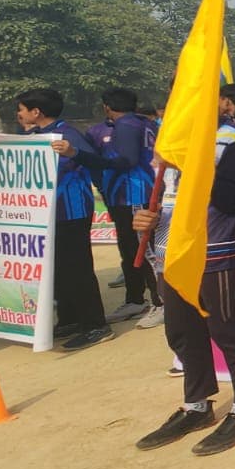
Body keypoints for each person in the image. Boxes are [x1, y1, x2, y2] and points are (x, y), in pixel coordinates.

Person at [132, 109, 235, 454]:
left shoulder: (234, 143)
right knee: (181, 331)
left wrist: (190, 160)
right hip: (170, 251)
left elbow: (228, 199)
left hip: (213, 249)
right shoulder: (168, 142)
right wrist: (147, 217)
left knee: (227, 329)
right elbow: (159, 196)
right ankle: (197, 406)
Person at [20, 88, 110, 350]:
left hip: (72, 210)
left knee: (78, 269)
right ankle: (71, 318)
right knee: (58, 268)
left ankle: (96, 325)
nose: (19, 113)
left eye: (22, 108)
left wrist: (73, 154)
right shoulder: (35, 136)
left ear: (36, 112)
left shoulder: (67, 134)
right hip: (48, 213)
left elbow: (97, 161)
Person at [94, 86, 162, 323]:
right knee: (130, 249)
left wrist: (90, 159)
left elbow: (127, 160)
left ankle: (159, 301)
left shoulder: (126, 125)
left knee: (143, 250)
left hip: (134, 193)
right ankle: (135, 300)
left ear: (107, 107)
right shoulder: (146, 123)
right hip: (128, 194)